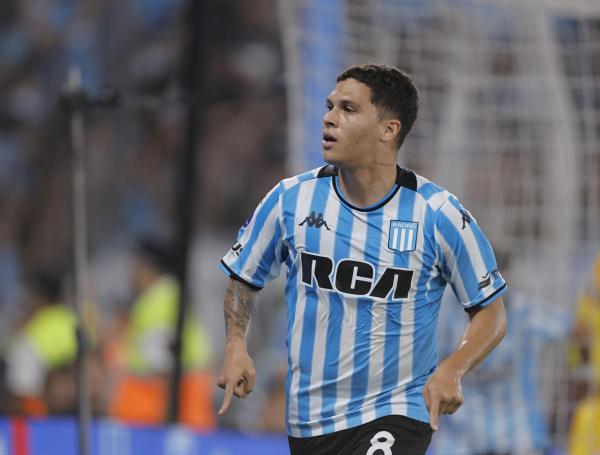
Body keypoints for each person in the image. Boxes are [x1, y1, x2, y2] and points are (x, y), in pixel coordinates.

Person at [217, 64, 507, 455]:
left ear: (389, 129)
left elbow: (491, 311)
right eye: (330, 106)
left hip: (397, 410)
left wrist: (453, 368)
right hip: (309, 418)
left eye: (348, 109)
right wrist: (236, 344)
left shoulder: (438, 213)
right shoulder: (290, 199)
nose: (329, 118)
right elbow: (244, 278)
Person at [433, 271, 569, 455]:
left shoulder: (525, 310)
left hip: (518, 438)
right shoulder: (444, 312)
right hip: (461, 440)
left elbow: (573, 329)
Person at [108, 237, 215, 430]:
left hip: (162, 422)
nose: (130, 272)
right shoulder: (169, 297)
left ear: (146, 268)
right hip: (181, 417)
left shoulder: (158, 302)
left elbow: (162, 371)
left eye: (135, 265)